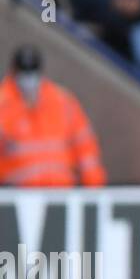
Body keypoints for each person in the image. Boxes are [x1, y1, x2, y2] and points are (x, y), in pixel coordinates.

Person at [0, 46, 106, 187]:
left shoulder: (62, 100)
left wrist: (95, 186)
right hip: (19, 195)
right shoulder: (3, 104)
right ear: (14, 72)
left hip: (61, 190)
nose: (28, 79)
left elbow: (85, 148)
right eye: (24, 72)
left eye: (32, 71)